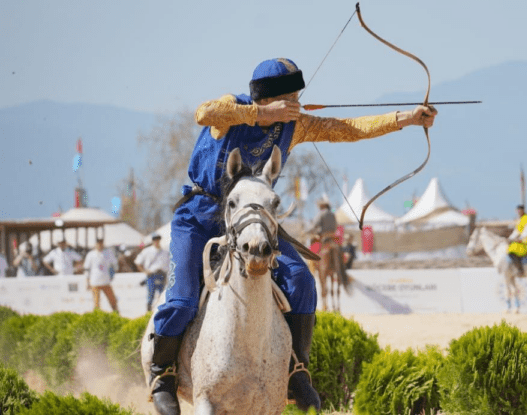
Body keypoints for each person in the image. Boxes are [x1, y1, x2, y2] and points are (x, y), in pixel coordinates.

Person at [148, 57, 437, 414]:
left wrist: (404, 119)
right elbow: (203, 113)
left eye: (299, 97)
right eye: (292, 97)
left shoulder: (293, 125)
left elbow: (345, 127)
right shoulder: (230, 113)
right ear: (269, 98)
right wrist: (259, 114)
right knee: (181, 301)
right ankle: (163, 373)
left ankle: (297, 370)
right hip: (200, 218)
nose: (298, 104)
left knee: (302, 280)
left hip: (255, 221)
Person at [135, 234, 170, 313]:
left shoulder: (164, 251)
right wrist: (144, 271)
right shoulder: (147, 251)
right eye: (155, 240)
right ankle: (148, 312)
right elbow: (138, 262)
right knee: (150, 296)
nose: (156, 242)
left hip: (162, 274)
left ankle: (160, 312)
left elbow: (168, 264)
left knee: (162, 296)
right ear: (153, 241)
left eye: (157, 240)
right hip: (151, 275)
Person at [83, 238, 119, 314]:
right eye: (98, 244)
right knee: (96, 303)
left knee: (113, 301)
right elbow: (87, 269)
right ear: (95, 244)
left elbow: (115, 264)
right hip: (95, 282)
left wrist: (113, 272)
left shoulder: (108, 253)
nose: (100, 245)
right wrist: (87, 282)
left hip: (106, 281)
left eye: (101, 243)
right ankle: (97, 317)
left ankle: (117, 315)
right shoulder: (91, 254)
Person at [507, 204, 527, 277]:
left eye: (520, 210)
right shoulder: (520, 220)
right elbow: (516, 231)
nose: (519, 212)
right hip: (520, 239)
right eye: (518, 210)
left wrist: (520, 238)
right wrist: (510, 238)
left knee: (513, 250)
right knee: (510, 247)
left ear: (523, 210)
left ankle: (520, 269)